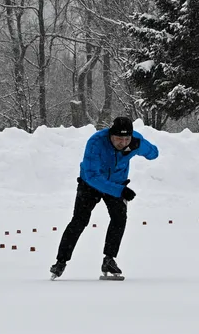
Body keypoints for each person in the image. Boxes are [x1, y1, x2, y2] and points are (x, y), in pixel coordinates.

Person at [49, 116, 159, 280]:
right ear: (110, 135)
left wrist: (138, 146)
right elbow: (92, 176)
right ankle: (61, 261)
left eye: (126, 139)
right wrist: (120, 191)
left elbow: (154, 154)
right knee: (80, 220)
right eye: (118, 139)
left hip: (116, 181)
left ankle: (109, 259)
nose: (123, 143)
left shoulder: (134, 141)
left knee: (119, 218)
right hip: (90, 184)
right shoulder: (96, 142)